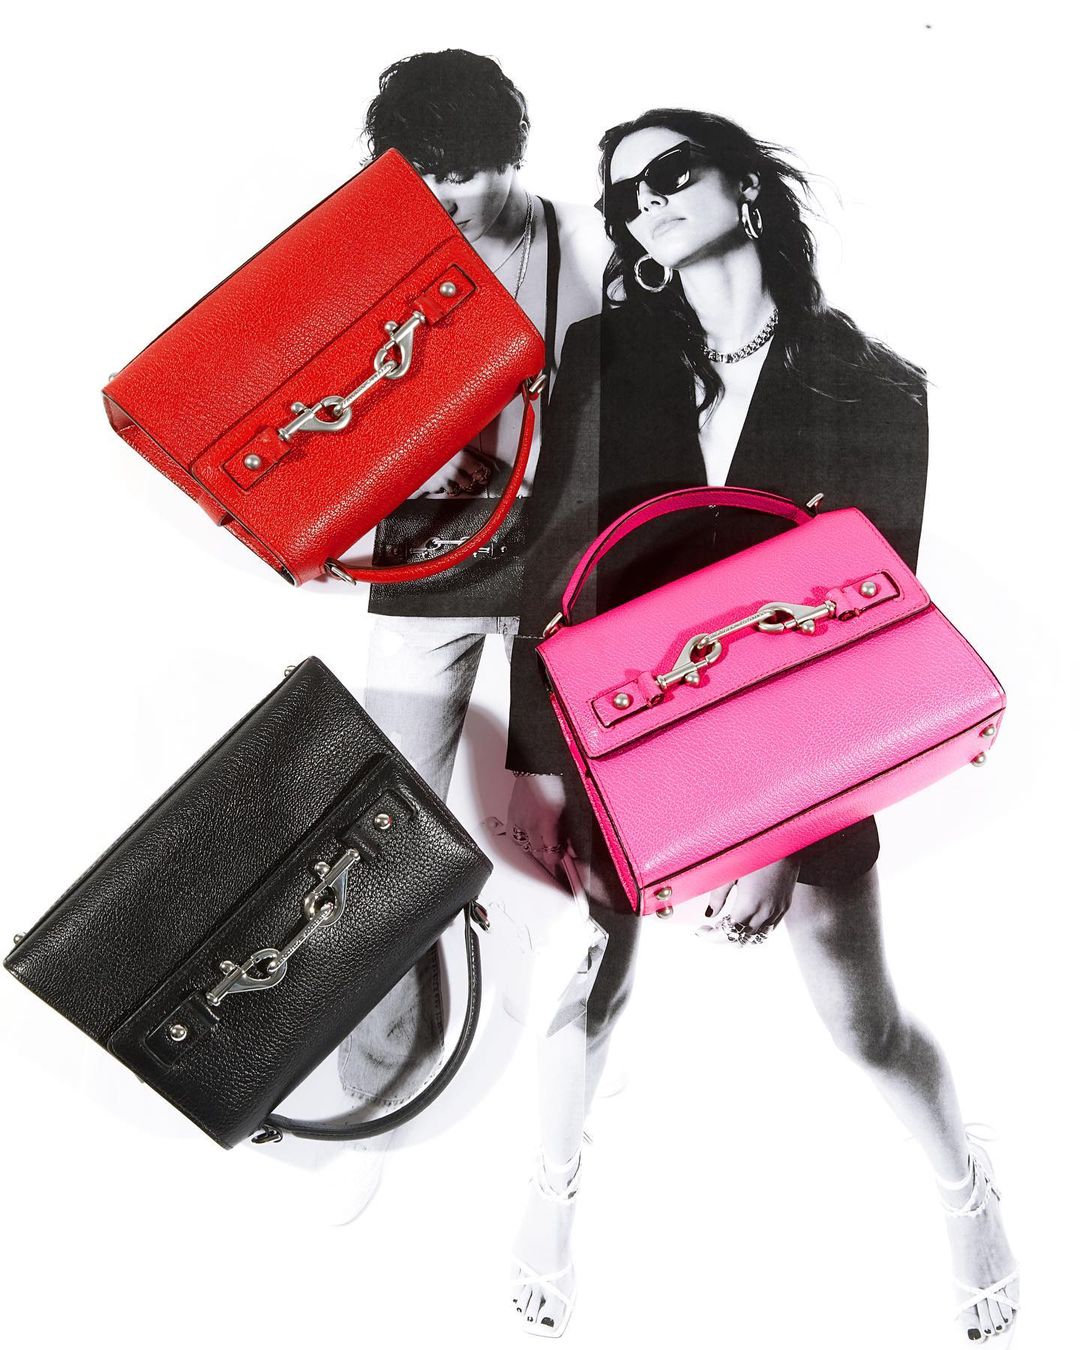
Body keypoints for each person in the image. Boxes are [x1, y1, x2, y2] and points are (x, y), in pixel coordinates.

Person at [503, 108, 1020, 1343]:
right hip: (630, 730)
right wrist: (538, 766)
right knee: (590, 989)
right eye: (624, 197)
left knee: (866, 1032)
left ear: (745, 186)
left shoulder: (873, 386)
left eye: (671, 173)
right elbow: (552, 567)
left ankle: (967, 1187)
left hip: (803, 748)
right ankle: (549, 1198)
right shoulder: (607, 358)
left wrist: (775, 838)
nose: (647, 202)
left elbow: (868, 631)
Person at [323, 49, 609, 1221]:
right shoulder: (377, 251)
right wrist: (320, 522)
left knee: (581, 844)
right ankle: (373, 1095)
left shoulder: (576, 242)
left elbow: (634, 403)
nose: (443, 195)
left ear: (512, 158)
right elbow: (323, 412)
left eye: (464, 171)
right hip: (425, 559)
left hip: (557, 570)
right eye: (421, 172)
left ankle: (569, 1115)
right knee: (380, 828)